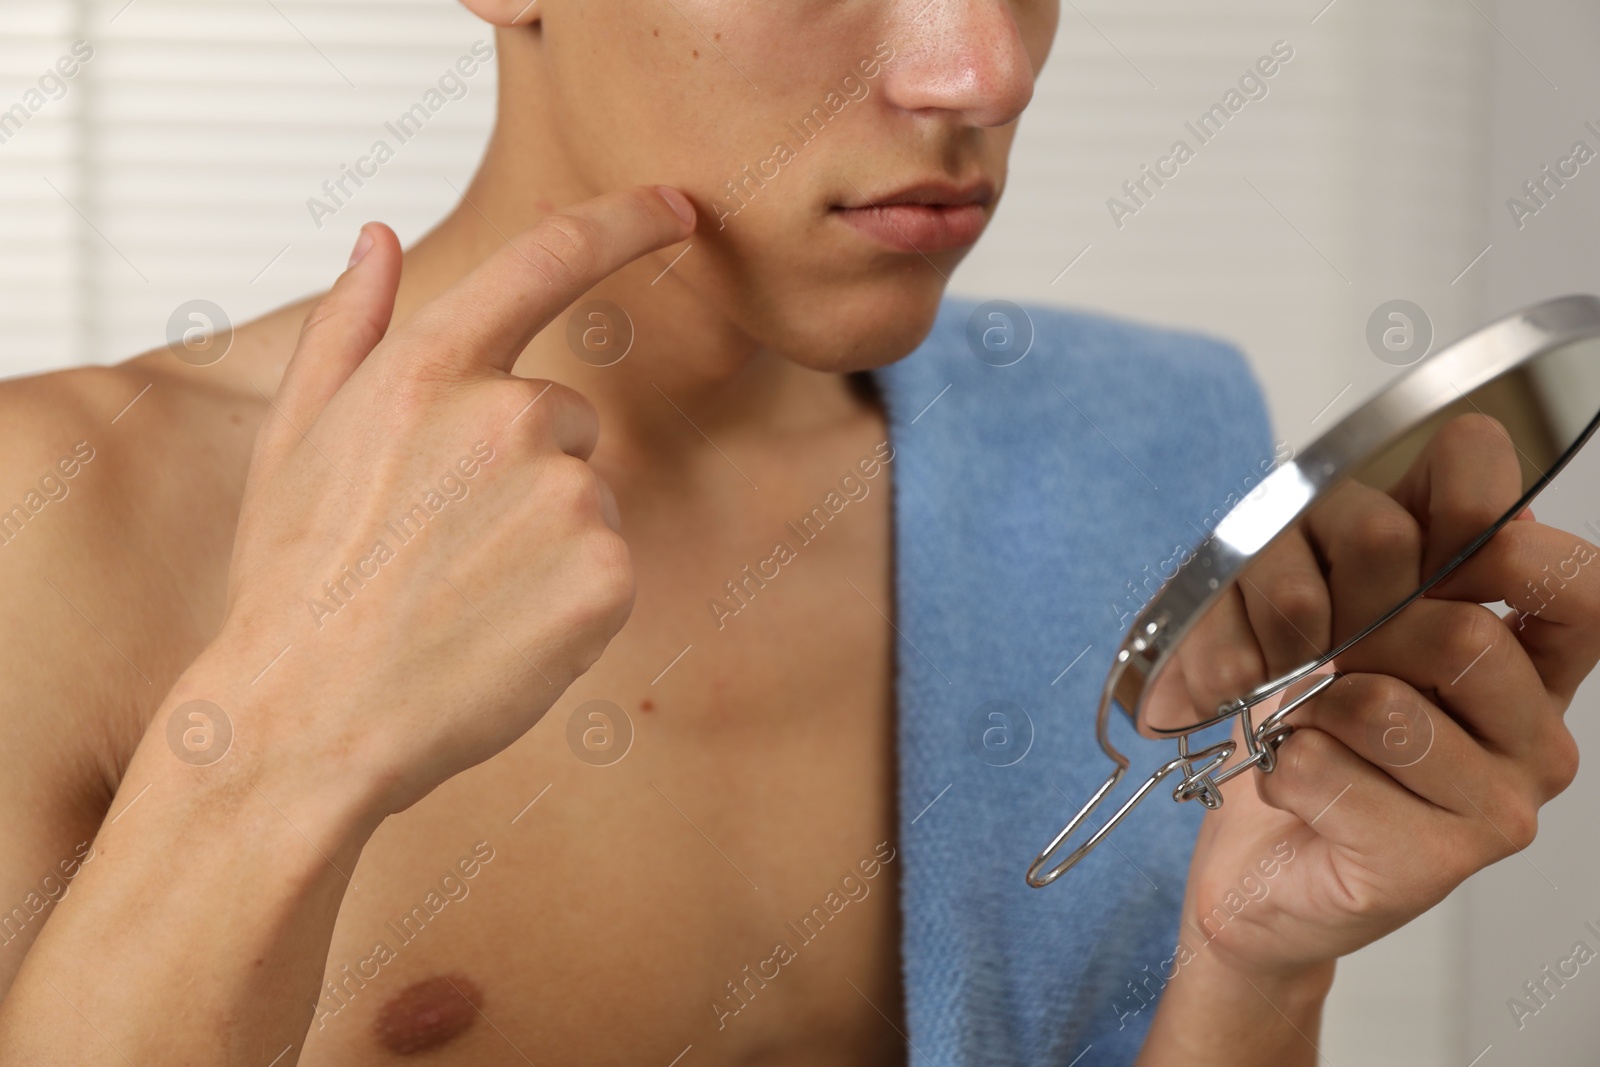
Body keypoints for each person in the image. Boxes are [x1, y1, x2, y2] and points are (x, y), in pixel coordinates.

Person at [0, 2, 1594, 1064]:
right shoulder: (61, 523)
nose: (984, 68)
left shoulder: (1147, 453)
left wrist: (1261, 976)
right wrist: (277, 745)